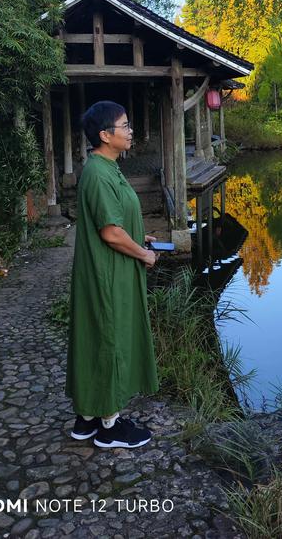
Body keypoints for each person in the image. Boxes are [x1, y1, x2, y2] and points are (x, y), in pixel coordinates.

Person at [65, 100, 160, 448]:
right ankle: (109, 426)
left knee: (96, 337)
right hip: (108, 274)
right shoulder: (99, 173)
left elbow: (117, 219)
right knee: (110, 339)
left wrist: (138, 233)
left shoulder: (106, 166)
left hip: (105, 270)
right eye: (124, 126)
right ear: (105, 135)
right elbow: (109, 233)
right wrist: (144, 254)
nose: (130, 131)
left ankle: (86, 418)